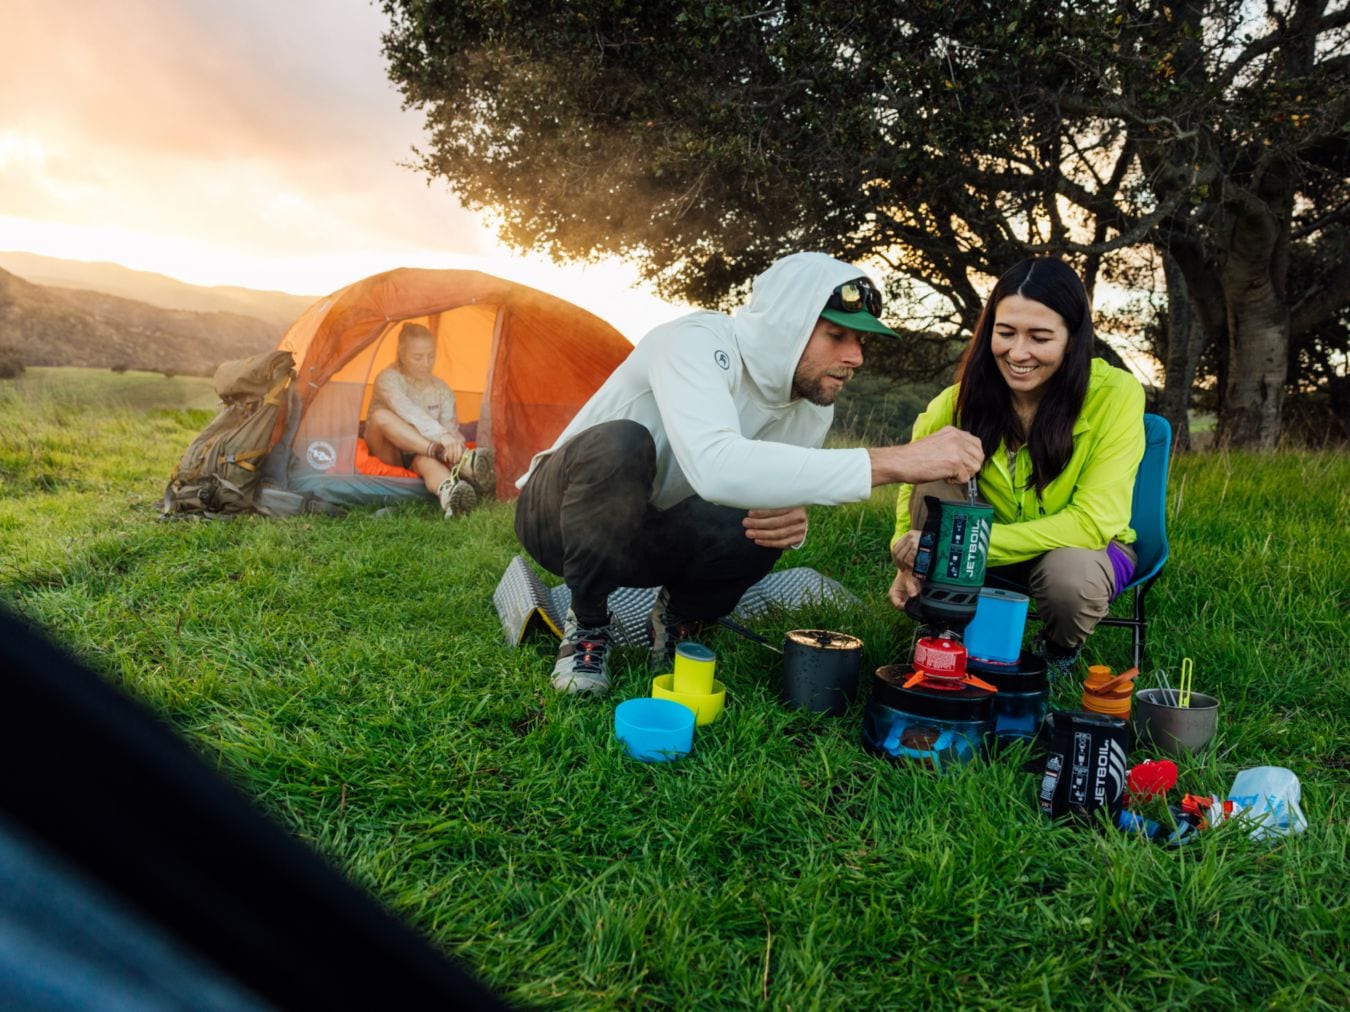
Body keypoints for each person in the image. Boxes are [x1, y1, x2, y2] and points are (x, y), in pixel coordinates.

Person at [514, 252, 985, 696]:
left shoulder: (811, 407)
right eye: (837, 336)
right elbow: (716, 467)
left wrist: (790, 522)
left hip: (648, 537)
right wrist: (894, 460)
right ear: (788, 326)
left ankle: (677, 620)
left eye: (860, 341)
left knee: (768, 518)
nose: (856, 358)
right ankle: (589, 626)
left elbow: (769, 488)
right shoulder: (693, 342)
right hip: (559, 518)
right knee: (622, 442)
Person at [888, 257, 1145, 677]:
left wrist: (960, 545)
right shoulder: (958, 400)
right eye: (1005, 333)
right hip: (990, 540)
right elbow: (911, 477)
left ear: (1072, 339)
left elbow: (1093, 522)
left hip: (1082, 550)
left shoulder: (1115, 394)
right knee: (934, 473)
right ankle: (944, 629)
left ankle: (1059, 648)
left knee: (1070, 577)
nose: (1018, 352)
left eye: (1040, 337)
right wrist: (904, 553)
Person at [363, 322, 495, 517]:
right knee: (379, 417)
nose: (426, 363)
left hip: (424, 454)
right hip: (390, 452)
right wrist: (442, 438)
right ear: (402, 353)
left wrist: (455, 446)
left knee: (426, 460)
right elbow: (407, 410)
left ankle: (451, 496)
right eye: (418, 357)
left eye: (430, 356)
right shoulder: (388, 379)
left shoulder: (442, 389)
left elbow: (450, 428)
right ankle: (463, 468)